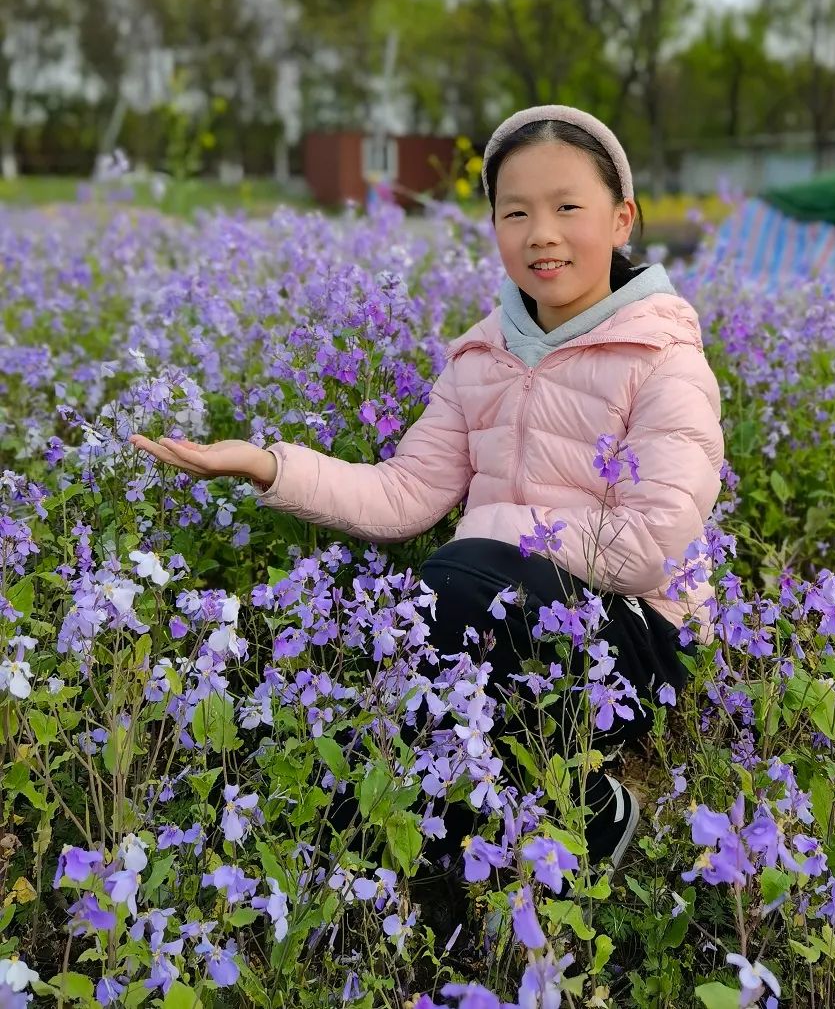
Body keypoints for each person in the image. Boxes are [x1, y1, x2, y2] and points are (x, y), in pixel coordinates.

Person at [130, 104, 724, 871]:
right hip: (491, 612)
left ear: (621, 219)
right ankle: (536, 824)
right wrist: (268, 464)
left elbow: (647, 548)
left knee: (444, 593)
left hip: (632, 647)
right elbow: (406, 492)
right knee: (371, 710)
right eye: (516, 212)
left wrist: (490, 532)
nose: (541, 232)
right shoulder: (479, 358)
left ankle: (565, 799)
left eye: (567, 207)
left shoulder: (665, 358)